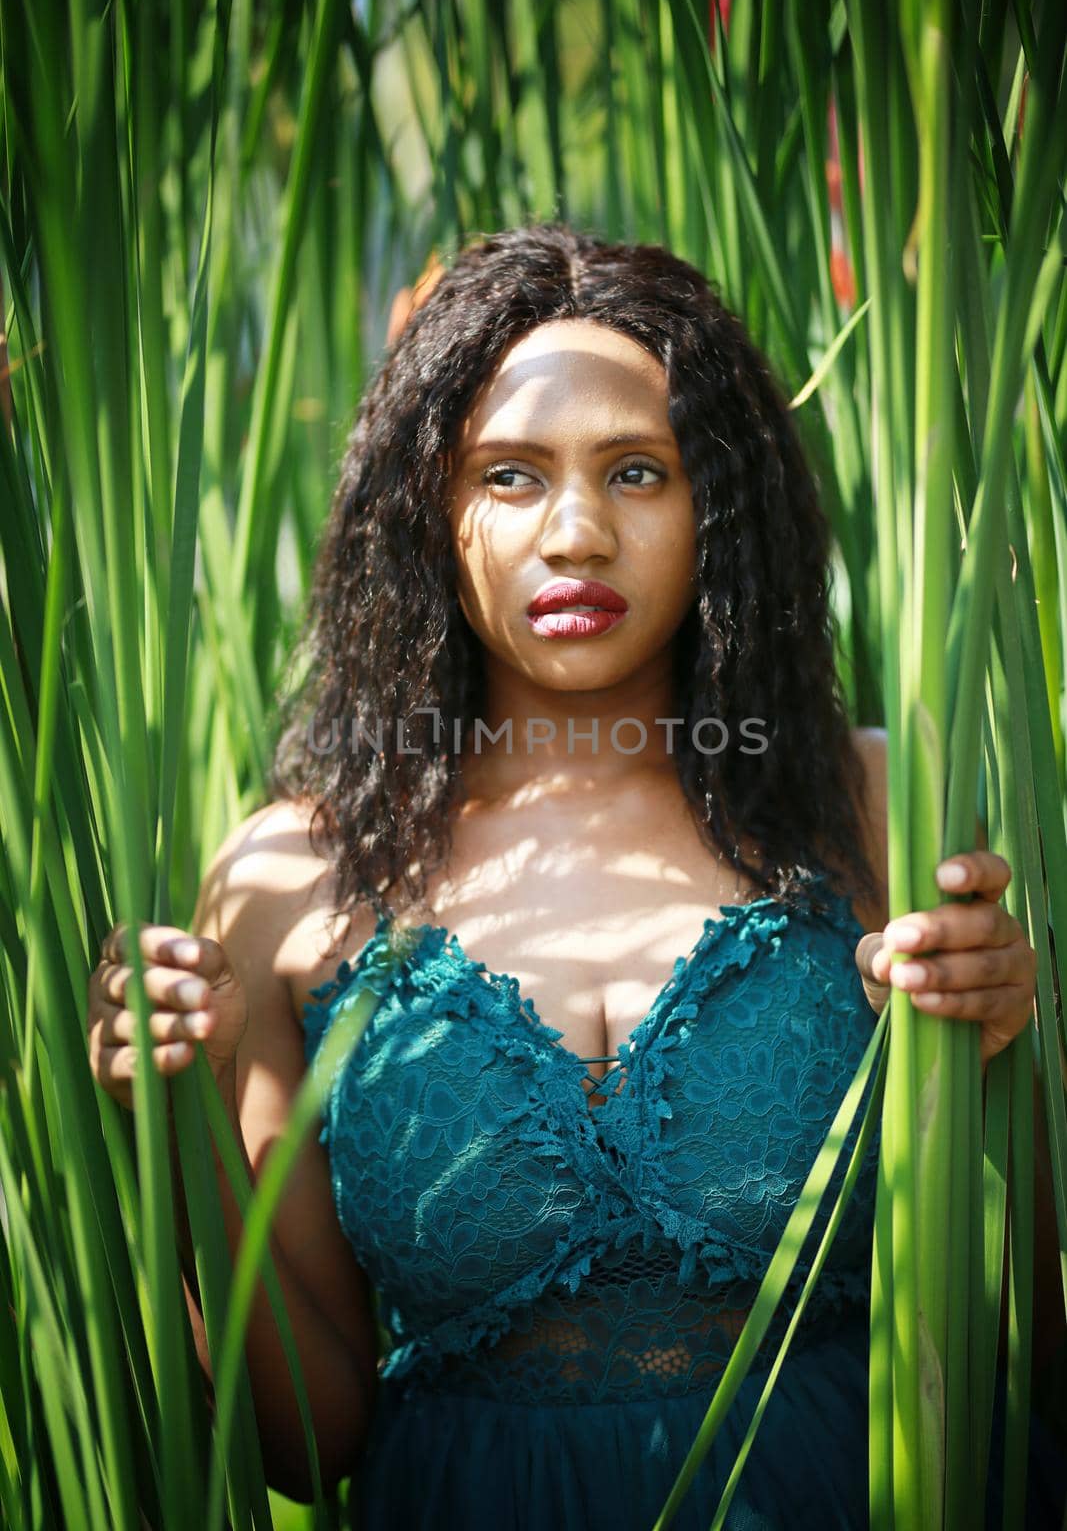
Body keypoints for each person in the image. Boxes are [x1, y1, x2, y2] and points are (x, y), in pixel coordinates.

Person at [87, 223, 1063, 1527]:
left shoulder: (881, 807)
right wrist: (186, 1126)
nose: (579, 531)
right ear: (427, 508)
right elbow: (302, 1445)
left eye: (639, 472)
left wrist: (1003, 1052)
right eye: (509, 475)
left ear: (722, 502)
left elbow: (1030, 1336)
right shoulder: (287, 879)